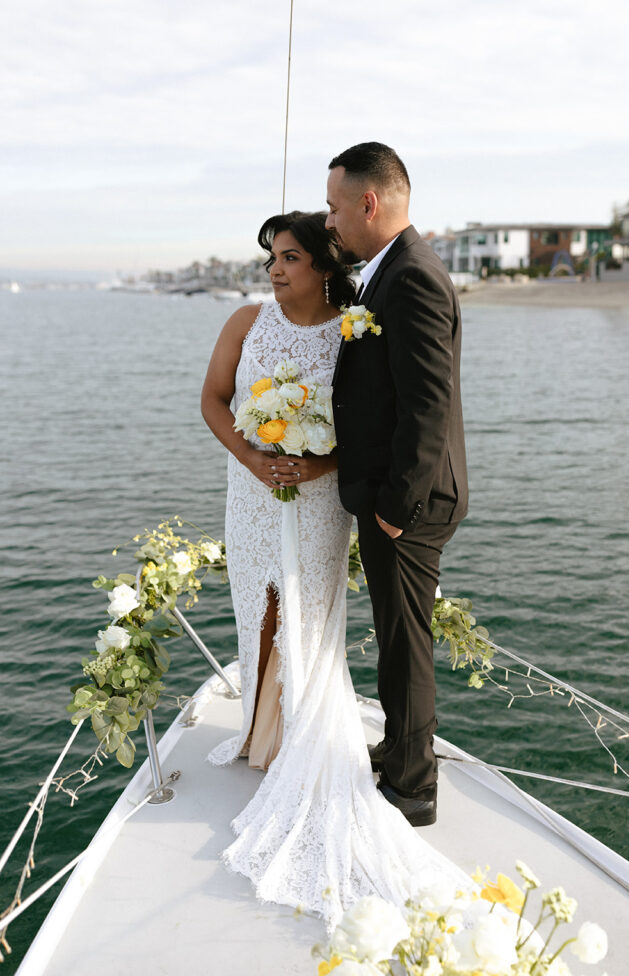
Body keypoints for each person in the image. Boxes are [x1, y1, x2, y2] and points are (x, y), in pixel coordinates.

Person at [201, 210, 471, 929]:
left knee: (309, 615)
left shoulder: (354, 328)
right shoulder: (243, 320)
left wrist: (317, 463)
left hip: (320, 499)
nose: (275, 269)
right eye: (270, 258)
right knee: (256, 611)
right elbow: (214, 401)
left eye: (289, 256)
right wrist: (255, 460)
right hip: (252, 494)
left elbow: (375, 420)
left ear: (323, 263)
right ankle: (267, 737)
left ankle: (306, 739)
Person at [327, 142, 468, 827]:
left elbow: (428, 404)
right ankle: (397, 750)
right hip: (391, 496)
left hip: (406, 503)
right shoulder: (389, 272)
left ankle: (412, 789)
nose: (329, 222)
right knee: (393, 637)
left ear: (368, 202)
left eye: (333, 206)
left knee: (405, 645)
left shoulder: (410, 276)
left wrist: (394, 507)